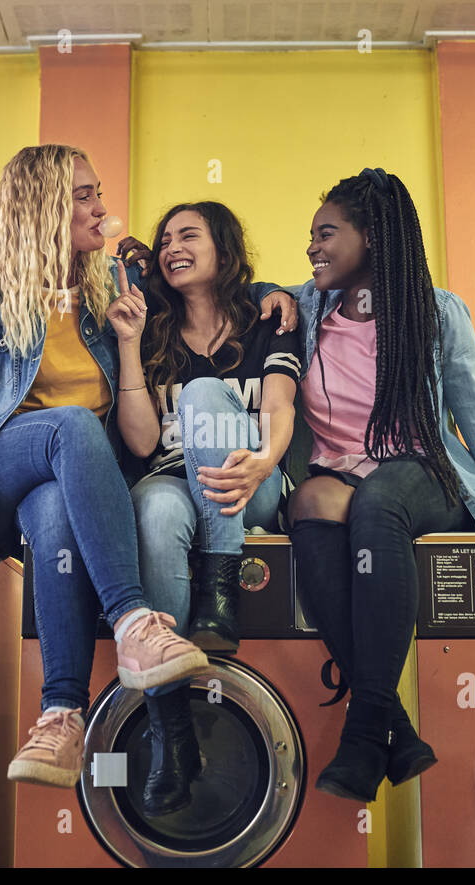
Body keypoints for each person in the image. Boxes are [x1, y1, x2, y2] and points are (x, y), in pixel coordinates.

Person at [0, 145, 294, 789]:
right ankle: (132, 621)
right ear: (43, 205)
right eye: (85, 195)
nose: (102, 207)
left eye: (99, 192)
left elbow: (205, 283)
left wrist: (277, 295)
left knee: (57, 511)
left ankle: (60, 719)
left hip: (77, 483)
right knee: (68, 427)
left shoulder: (109, 283)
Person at [283, 168, 475, 803]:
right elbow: (234, 290)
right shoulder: (304, 308)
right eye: (311, 236)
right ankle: (395, 729)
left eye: (326, 233)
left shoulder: (435, 313)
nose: (312, 247)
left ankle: (361, 736)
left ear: (373, 237)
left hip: (426, 473)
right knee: (308, 501)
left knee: (378, 503)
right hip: (340, 473)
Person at [116, 202, 301, 815]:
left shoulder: (266, 318)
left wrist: (267, 458)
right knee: (154, 511)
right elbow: (143, 444)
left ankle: (219, 589)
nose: (172, 246)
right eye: (165, 238)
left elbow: (278, 404)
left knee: (200, 392)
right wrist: (127, 345)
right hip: (173, 481)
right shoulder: (153, 329)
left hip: (253, 482)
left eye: (188, 235)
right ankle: (172, 733)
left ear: (224, 247)